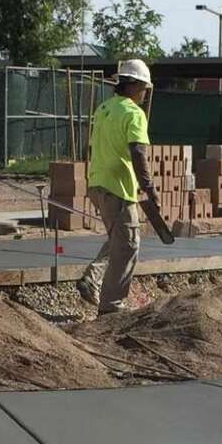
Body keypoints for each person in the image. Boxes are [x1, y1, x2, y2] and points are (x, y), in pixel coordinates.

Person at [79, 58, 157, 313]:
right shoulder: (134, 113)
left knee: (119, 237)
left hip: (97, 183)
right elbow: (138, 152)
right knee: (129, 244)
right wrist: (149, 187)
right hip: (117, 187)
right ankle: (112, 306)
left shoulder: (103, 108)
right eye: (144, 87)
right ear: (134, 85)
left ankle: (93, 278)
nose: (145, 92)